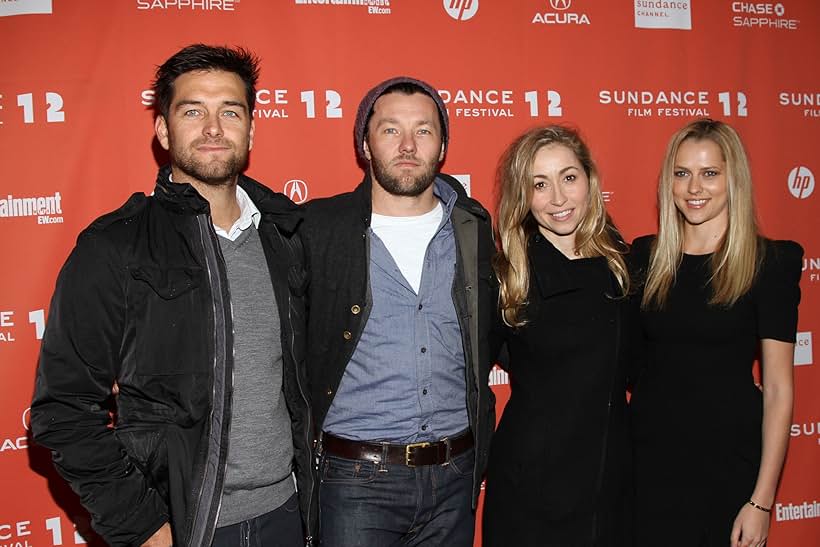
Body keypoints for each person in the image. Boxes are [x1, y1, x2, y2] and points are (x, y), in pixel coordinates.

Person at [30, 44, 315, 547]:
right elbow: (64, 412)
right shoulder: (115, 247)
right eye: (192, 110)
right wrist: (142, 526)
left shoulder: (286, 236)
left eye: (230, 111)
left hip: (286, 514)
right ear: (163, 130)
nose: (213, 128)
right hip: (185, 525)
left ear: (251, 128)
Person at [300, 76, 498, 547]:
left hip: (455, 479)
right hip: (354, 483)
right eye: (390, 129)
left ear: (443, 144)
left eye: (424, 131)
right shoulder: (318, 230)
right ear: (365, 144)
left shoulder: (473, 228)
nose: (408, 145)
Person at [630, 119, 802, 547]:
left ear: (733, 179)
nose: (694, 188)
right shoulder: (646, 257)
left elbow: (779, 388)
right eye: (682, 173)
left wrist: (762, 501)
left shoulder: (770, 264)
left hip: (728, 465)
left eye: (710, 173)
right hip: (649, 463)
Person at [482, 125, 634, 546]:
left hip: (610, 479)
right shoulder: (507, 275)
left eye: (569, 177)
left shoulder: (623, 264)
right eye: (540, 185)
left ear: (590, 179)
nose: (558, 199)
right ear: (524, 196)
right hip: (533, 488)